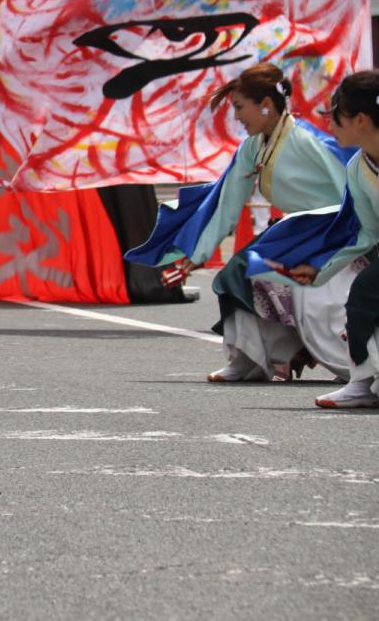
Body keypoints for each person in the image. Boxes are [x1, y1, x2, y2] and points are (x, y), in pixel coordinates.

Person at [127, 63, 354, 382]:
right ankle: (249, 356)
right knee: (239, 273)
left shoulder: (309, 141)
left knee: (247, 268)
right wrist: (196, 255)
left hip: (332, 232)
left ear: (265, 104)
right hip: (298, 233)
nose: (236, 116)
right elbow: (226, 204)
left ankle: (347, 365)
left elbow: (351, 186)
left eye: (239, 107)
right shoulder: (253, 147)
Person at [245, 71, 379, 408]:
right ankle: (362, 379)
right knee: (364, 294)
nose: (330, 126)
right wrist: (322, 268)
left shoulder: (305, 142)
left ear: (360, 120)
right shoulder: (357, 168)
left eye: (337, 117)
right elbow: (365, 231)